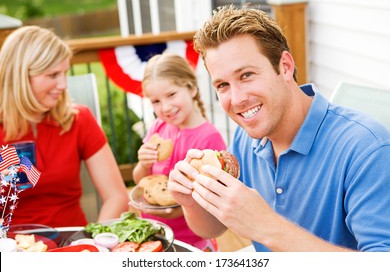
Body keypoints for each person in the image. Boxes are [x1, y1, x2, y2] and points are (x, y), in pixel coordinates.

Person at [168, 4, 390, 252]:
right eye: (222, 85)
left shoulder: (367, 148)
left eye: (246, 75)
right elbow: (213, 228)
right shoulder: (245, 138)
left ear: (285, 67)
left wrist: (266, 226)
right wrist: (191, 201)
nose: (237, 98)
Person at [0, 26, 129, 227]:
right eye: (52, 75)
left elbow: (116, 196)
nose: (63, 84)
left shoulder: (79, 120)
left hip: (72, 246)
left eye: (64, 73)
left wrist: (93, 243)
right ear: (20, 77)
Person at [131, 52, 226, 251]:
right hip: (154, 234)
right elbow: (140, 180)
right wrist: (143, 164)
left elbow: (213, 202)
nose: (165, 107)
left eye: (171, 94)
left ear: (191, 88)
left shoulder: (208, 139)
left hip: (191, 242)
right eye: (156, 101)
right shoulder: (157, 128)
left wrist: (179, 209)